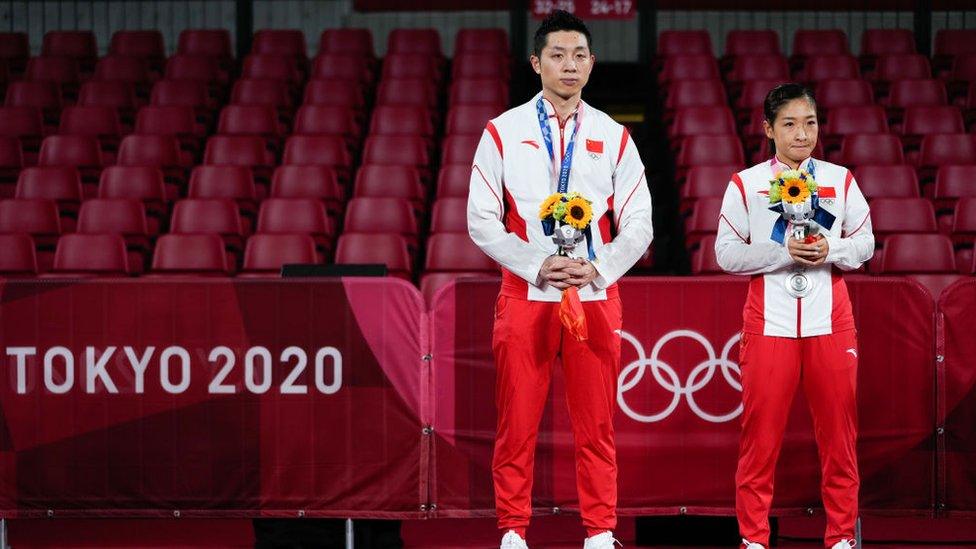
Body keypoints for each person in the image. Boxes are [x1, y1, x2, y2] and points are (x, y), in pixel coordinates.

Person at [467, 9, 653, 549]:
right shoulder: (502, 131)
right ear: (536, 62)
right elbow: (480, 218)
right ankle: (513, 531)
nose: (569, 65)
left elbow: (640, 221)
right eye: (557, 55)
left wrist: (598, 267)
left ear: (592, 64)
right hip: (526, 293)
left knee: (596, 424)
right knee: (516, 423)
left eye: (578, 56)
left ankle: (599, 531)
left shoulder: (614, 136)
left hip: (594, 295)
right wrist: (535, 264)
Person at [715, 83, 874, 549]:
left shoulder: (840, 179)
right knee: (759, 442)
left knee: (840, 440)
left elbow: (865, 244)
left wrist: (833, 248)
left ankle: (842, 538)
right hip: (768, 325)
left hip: (831, 323)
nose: (802, 134)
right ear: (768, 129)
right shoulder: (745, 184)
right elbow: (725, 253)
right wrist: (781, 251)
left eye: (810, 123)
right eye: (789, 123)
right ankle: (753, 540)